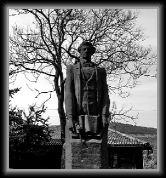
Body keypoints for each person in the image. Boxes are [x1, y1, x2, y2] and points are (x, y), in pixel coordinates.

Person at [65, 41, 110, 139]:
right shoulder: (71, 69)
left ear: (92, 52)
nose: (86, 51)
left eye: (89, 49)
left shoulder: (100, 71)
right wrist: (70, 118)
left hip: (96, 115)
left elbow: (105, 95)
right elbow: (69, 93)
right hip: (78, 114)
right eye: (84, 49)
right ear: (79, 51)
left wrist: (104, 115)